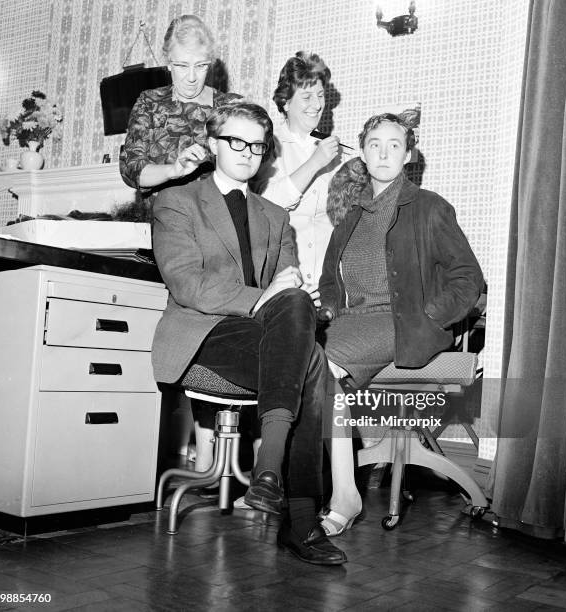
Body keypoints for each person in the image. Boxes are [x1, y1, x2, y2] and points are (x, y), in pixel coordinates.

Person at [152, 101, 347, 565]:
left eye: (257, 146)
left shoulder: (275, 216)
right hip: (203, 336)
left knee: (301, 319)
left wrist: (295, 292)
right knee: (311, 362)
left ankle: (268, 476)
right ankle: (299, 521)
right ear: (214, 143)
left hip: (264, 339)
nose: (247, 153)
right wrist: (266, 297)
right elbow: (188, 284)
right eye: (236, 142)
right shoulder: (176, 202)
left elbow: (286, 288)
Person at [317, 113, 484, 536]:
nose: (385, 152)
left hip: (399, 323)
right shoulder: (351, 215)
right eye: (375, 144)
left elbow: (468, 279)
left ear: (408, 155)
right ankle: (328, 489)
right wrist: (330, 311)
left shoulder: (429, 207)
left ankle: (341, 495)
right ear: (363, 153)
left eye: (395, 144)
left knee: (322, 365)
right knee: (298, 357)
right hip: (352, 323)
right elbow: (328, 282)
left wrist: (427, 316)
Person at [119, 15, 240, 476]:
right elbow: (133, 170)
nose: (191, 77)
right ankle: (197, 451)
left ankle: (214, 454)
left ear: (210, 63)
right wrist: (174, 168)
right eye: (181, 66)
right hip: (171, 222)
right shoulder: (150, 103)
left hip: (221, 225)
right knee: (191, 325)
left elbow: (248, 165)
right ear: (167, 63)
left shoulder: (228, 106)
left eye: (200, 66)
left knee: (221, 328)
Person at [252, 51, 350, 289]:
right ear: (285, 102)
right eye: (307, 97)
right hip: (285, 280)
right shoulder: (267, 145)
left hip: (330, 283)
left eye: (320, 95)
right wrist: (314, 163)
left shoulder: (338, 151)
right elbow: (264, 203)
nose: (317, 105)